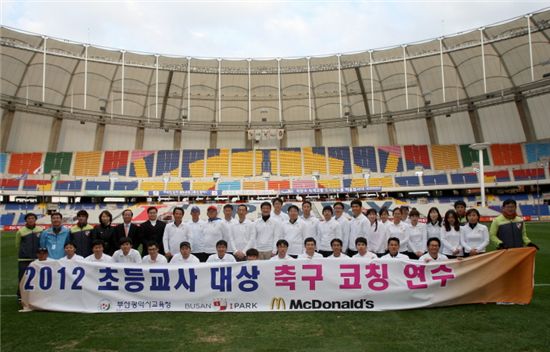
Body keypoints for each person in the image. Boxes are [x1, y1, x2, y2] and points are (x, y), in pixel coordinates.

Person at [16, 213, 44, 299]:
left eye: (32, 218)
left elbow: (42, 243)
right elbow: (17, 245)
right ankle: (20, 296)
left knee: (36, 278)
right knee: (23, 278)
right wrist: (23, 253)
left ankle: (35, 295)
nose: (31, 220)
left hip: (37, 259)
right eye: (29, 218)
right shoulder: (20, 231)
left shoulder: (40, 230)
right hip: (24, 259)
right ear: (26, 220)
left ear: (35, 220)